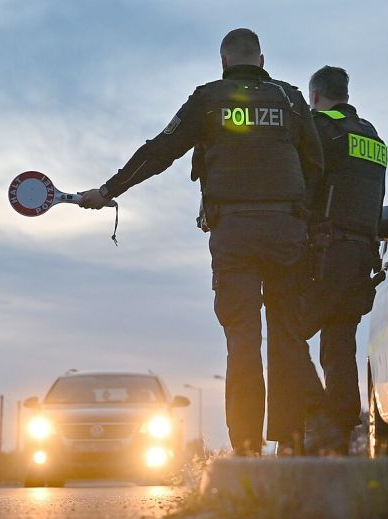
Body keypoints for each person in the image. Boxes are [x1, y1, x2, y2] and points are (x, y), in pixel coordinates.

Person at [79, 29, 323, 455]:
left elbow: (160, 151)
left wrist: (109, 191)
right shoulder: (289, 99)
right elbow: (315, 162)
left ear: (224, 62)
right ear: (261, 61)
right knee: (288, 338)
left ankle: (245, 448)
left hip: (233, 235)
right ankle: (292, 444)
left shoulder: (208, 99)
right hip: (287, 232)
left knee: (242, 340)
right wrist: (302, 219)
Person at [301, 66, 387, 455]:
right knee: (339, 345)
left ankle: (318, 418)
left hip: (326, 253)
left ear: (315, 96)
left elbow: (305, 189)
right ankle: (339, 432)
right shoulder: (373, 136)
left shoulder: (320, 129)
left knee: (290, 331)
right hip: (362, 258)